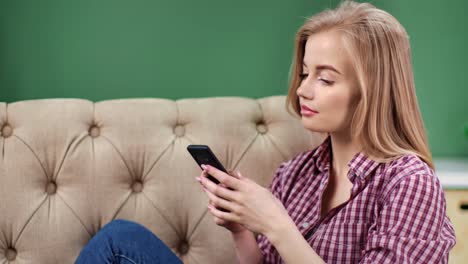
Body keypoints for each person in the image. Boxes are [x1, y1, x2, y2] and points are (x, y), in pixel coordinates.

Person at [75, 1, 456, 263]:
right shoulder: (295, 174)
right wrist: (242, 230)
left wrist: (276, 222)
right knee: (119, 241)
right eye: (305, 73)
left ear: (373, 88)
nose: (304, 88)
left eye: (325, 79)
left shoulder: (408, 183)